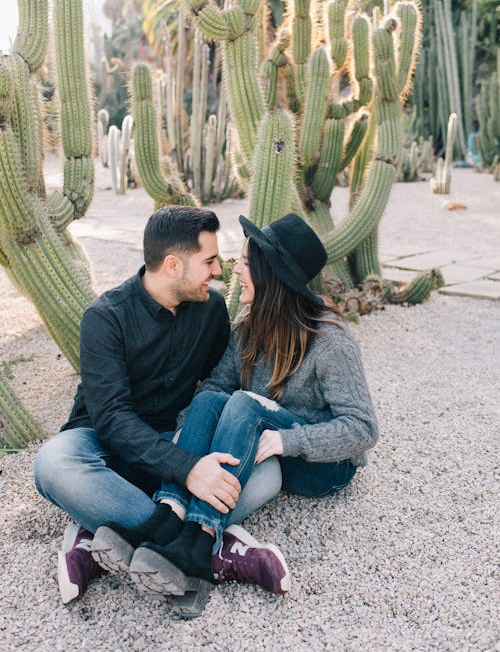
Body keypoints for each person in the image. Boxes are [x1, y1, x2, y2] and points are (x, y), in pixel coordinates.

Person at [92, 212, 379, 599]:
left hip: (322, 467)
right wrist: (183, 433)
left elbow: (362, 429)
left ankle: (200, 536)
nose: (234, 271)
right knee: (212, 397)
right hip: (263, 446)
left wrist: (286, 441)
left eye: (245, 263)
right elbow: (215, 388)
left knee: (243, 403)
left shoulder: (330, 343)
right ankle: (168, 516)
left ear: (269, 275)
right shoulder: (247, 328)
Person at [34, 206, 283, 605]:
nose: (218, 272)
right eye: (209, 261)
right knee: (53, 463)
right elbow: (112, 419)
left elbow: (219, 384)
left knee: (268, 474)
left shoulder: (211, 310)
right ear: (172, 265)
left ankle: (113, 534)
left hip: (176, 437)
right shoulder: (106, 318)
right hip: (105, 448)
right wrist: (189, 471)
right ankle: (200, 542)